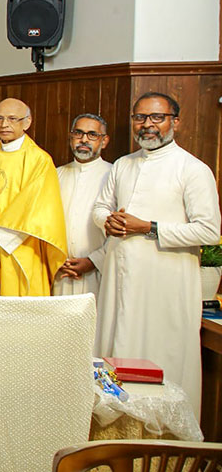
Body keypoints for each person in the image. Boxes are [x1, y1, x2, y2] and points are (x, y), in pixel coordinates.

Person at [93, 93, 220, 413]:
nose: (147, 125)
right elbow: (100, 207)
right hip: (119, 280)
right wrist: (107, 221)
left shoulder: (192, 169)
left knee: (163, 355)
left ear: (175, 121)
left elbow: (209, 232)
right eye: (139, 118)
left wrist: (148, 227)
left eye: (156, 117)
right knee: (113, 348)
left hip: (165, 285)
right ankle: (113, 433)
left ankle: (162, 443)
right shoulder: (123, 164)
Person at [0, 98, 67, 296]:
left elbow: (34, 210)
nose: (4, 125)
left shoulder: (39, 160)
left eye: (12, 119)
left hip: (20, 249)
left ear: (27, 122)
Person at [54, 113, 112, 298]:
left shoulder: (114, 175)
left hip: (98, 271)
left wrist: (93, 261)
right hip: (59, 271)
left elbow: (121, 230)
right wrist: (55, 259)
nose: (84, 140)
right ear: (71, 137)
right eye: (78, 133)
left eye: (92, 135)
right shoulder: (56, 175)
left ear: (104, 141)